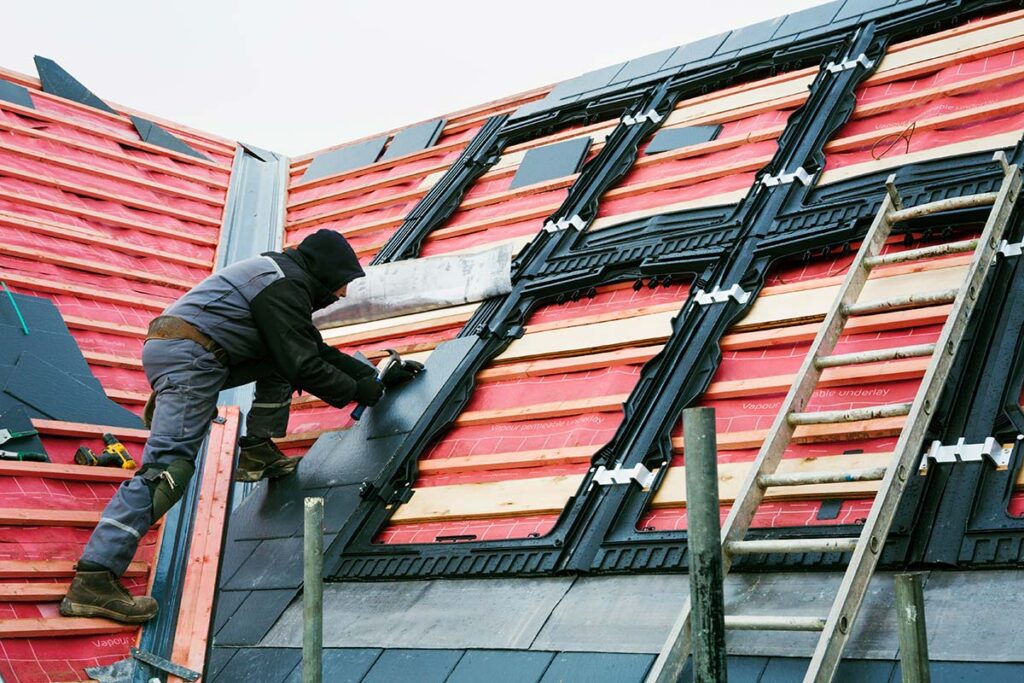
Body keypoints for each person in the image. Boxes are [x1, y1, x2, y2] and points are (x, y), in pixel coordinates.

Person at [60, 229, 409, 624]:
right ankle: (95, 578)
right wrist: (363, 393)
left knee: (281, 355)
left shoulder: (281, 276)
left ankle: (257, 448)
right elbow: (305, 365)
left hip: (193, 350)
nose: (342, 294)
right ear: (326, 271)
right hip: (191, 358)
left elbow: (309, 348)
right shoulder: (284, 286)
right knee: (168, 470)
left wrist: (376, 376)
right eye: (342, 283)